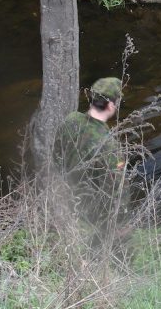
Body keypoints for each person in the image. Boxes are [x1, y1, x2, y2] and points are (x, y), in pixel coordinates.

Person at [52, 77, 127, 232]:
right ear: (111, 105)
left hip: (68, 197)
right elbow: (115, 192)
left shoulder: (70, 120)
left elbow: (56, 157)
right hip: (92, 215)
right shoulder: (110, 145)